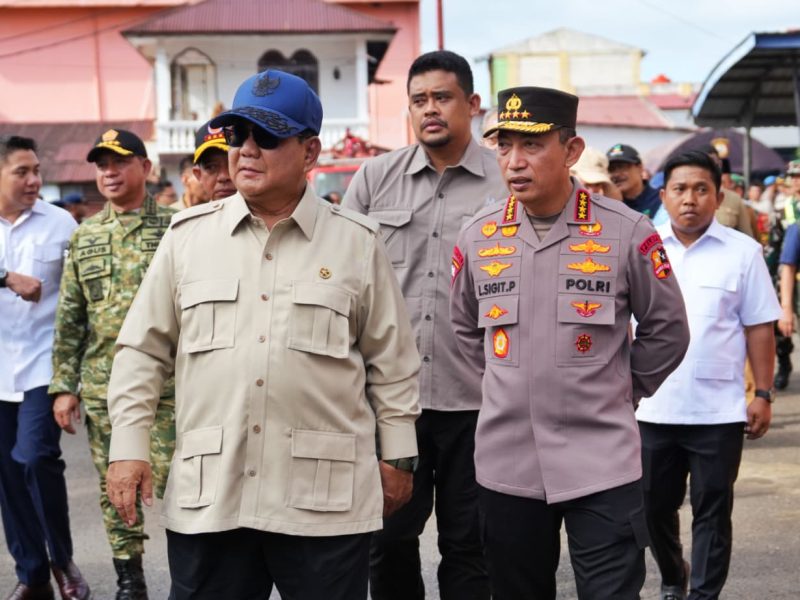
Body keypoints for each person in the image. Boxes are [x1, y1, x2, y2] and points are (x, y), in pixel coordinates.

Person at [104, 69, 421, 600]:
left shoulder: (357, 244)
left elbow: (392, 363)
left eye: (267, 136)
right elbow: (141, 351)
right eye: (236, 136)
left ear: (310, 151)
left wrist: (399, 457)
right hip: (213, 497)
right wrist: (128, 446)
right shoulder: (188, 240)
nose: (246, 151)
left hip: (323, 503)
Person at [450, 86, 690, 599]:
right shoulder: (478, 237)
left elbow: (668, 330)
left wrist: (620, 390)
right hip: (507, 463)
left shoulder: (626, 233)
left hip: (600, 459)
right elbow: (466, 333)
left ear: (572, 151)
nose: (515, 161)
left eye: (532, 145)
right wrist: (506, 390)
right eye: (504, 145)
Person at [343, 50, 504, 600]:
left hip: (478, 402)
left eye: (442, 97)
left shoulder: (508, 185)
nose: (429, 110)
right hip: (392, 403)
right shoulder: (373, 180)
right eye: (419, 100)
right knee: (385, 541)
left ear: (472, 104)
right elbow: (345, 286)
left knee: (471, 546)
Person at [637, 150, 780, 600]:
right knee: (651, 509)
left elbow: (759, 326)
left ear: (719, 197)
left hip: (718, 411)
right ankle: (673, 573)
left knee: (712, 510)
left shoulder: (744, 252)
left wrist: (764, 394)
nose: (690, 199)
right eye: (680, 189)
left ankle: (703, 594)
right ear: (664, 195)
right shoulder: (643, 248)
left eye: (702, 189)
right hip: (652, 406)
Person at [49, 129, 176, 600]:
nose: (108, 172)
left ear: (145, 168)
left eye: (119, 162)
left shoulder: (178, 227)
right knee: (115, 490)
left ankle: (194, 572)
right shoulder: (85, 238)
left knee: (185, 483)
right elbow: (71, 318)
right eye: (101, 164)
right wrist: (65, 385)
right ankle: (130, 579)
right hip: (108, 389)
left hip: (176, 386)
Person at [0, 136, 90, 600]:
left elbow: (81, 302)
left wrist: (71, 381)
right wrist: (5, 276)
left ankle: (61, 559)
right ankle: (32, 576)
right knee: (7, 476)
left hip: (43, 367)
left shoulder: (60, 224)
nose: (34, 180)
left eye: (36, 170)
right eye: (22, 172)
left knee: (34, 459)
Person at [697, 145, 754, 238]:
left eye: (713, 163)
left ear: (720, 164)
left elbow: (747, 238)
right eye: (703, 164)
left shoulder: (734, 199)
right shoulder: (685, 198)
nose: (709, 168)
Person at [607, 143, 663, 219]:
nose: (616, 174)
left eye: (622, 167)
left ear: (640, 167)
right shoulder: (609, 203)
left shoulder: (659, 198)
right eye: (611, 169)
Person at [190, 121, 236, 202]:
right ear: (198, 174)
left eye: (232, 164)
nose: (223, 177)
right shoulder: (188, 215)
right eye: (211, 167)